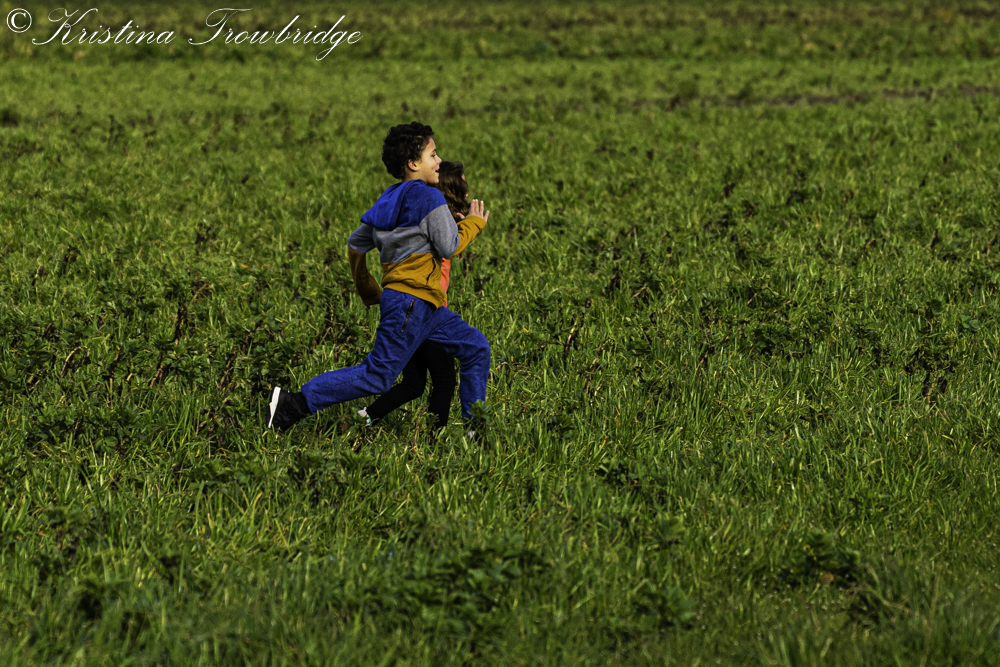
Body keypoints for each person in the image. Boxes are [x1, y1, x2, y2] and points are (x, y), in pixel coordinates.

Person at [266, 123, 490, 432]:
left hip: (423, 305)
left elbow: (356, 243)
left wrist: (367, 288)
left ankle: (476, 429)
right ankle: (294, 403)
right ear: (413, 164)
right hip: (412, 303)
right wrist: (473, 223)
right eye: (433, 154)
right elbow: (449, 246)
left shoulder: (389, 200)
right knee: (378, 375)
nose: (439, 161)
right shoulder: (429, 197)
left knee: (476, 346)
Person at [359, 161, 475, 431]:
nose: (468, 191)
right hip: (427, 313)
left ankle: (365, 416)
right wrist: (470, 225)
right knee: (445, 380)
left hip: (410, 310)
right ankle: (435, 438)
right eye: (463, 183)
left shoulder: (430, 220)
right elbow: (449, 248)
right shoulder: (438, 227)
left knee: (414, 384)